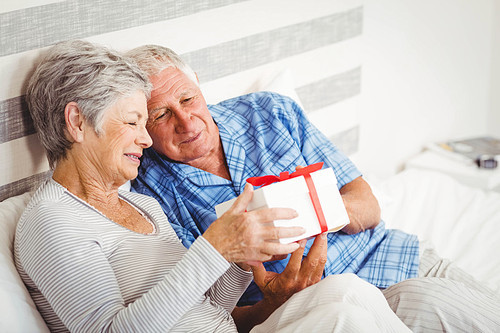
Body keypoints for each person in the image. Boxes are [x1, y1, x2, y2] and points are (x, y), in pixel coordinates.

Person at [14, 40, 411, 333]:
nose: (146, 140)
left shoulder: (141, 207)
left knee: (348, 292)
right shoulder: (52, 221)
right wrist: (214, 248)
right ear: (77, 122)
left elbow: (212, 310)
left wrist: (240, 256)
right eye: (135, 122)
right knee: (346, 317)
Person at [127, 44, 500, 332]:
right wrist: (271, 303)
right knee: (428, 301)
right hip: (321, 309)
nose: (185, 121)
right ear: (143, 126)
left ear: (200, 89)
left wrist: (310, 212)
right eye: (161, 114)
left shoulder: (269, 112)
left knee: (471, 309)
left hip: (392, 257)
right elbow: (210, 315)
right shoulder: (148, 190)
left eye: (188, 99)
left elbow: (368, 205)